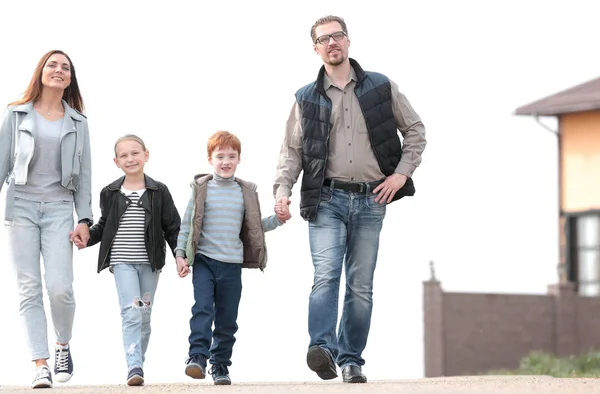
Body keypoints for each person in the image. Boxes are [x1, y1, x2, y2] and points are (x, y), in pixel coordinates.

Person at [273, 15, 427, 383]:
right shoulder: (305, 98)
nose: (332, 43)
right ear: (315, 48)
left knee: (360, 284)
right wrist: (282, 190)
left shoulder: (380, 87)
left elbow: (415, 130)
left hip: (372, 200)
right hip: (326, 199)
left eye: (337, 35)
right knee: (325, 275)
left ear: (348, 40)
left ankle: (351, 359)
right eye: (323, 39)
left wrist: (401, 173)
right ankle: (322, 349)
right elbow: (291, 152)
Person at [0, 50, 92, 389]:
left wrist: (84, 219)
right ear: (40, 72)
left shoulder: (78, 122)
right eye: (52, 65)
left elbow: (83, 174)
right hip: (20, 206)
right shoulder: (15, 114)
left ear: (70, 79)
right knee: (29, 289)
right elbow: (1, 164)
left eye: (65, 67)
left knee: (60, 288)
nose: (59, 70)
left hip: (58, 208)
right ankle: (40, 363)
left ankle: (62, 345)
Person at [176, 130, 291, 385]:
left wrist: (279, 220)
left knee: (227, 318)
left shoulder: (245, 191)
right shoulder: (201, 189)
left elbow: (254, 226)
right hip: (205, 261)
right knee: (203, 309)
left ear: (239, 159)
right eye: (220, 156)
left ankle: (220, 365)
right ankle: (197, 356)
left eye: (231, 156)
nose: (226, 161)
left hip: (231, 265)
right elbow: (187, 224)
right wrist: (181, 254)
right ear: (210, 159)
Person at [73, 134, 181, 386]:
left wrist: (179, 255)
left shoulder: (159, 191)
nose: (130, 159)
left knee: (144, 314)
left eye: (135, 153)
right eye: (124, 155)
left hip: (151, 264)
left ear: (146, 155)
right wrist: (87, 239)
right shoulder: (110, 192)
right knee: (131, 311)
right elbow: (103, 226)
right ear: (116, 161)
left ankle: (138, 364)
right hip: (122, 262)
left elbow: (172, 227)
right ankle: (133, 365)